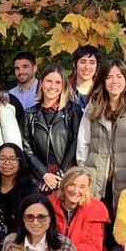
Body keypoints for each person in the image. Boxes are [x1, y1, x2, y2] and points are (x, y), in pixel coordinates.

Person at [76, 59, 126, 208]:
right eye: (109, 77)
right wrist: (85, 169)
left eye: (119, 76)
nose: (114, 81)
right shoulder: (93, 106)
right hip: (95, 180)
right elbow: (83, 141)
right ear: (103, 81)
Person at [48, 167, 109, 251]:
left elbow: (93, 248)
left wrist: (67, 248)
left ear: (88, 189)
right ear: (64, 185)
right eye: (72, 185)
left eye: (82, 187)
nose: (76, 191)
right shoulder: (48, 204)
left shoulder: (96, 208)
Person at [20, 63, 82, 193]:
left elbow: (76, 142)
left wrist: (60, 175)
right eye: (49, 81)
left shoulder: (73, 111)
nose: (53, 86)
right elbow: (26, 149)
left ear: (64, 86)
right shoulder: (29, 114)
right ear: (41, 83)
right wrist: (44, 174)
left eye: (58, 82)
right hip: (39, 181)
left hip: (68, 179)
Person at [0, 142, 38, 226]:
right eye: (2, 158)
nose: (7, 163)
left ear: (20, 163)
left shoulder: (30, 190)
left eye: (13, 159)